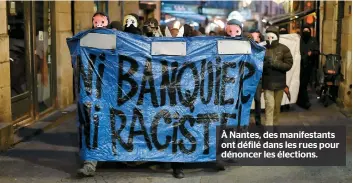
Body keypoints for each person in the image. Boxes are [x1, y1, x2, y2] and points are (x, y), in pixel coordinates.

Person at [77, 12, 111, 177]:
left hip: (111, 95)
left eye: (101, 22)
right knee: (94, 126)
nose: (99, 25)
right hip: (94, 94)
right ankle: (90, 163)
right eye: (96, 22)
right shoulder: (86, 41)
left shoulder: (117, 40)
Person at [262, 26, 293, 131]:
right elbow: (257, 65)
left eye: (272, 36)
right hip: (267, 83)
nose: (270, 39)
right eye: (268, 36)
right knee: (269, 106)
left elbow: (288, 65)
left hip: (279, 83)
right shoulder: (262, 49)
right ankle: (269, 130)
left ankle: (275, 126)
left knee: (276, 107)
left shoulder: (284, 49)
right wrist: (264, 64)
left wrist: (275, 64)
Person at [296, 25, 319, 109]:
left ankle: (304, 102)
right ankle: (303, 101)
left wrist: (312, 53)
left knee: (303, 84)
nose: (306, 32)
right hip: (299, 65)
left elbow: (317, 51)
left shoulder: (313, 40)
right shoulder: (299, 40)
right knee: (301, 84)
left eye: (307, 31)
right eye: (304, 30)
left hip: (309, 65)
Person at [249, 29, 263, 126]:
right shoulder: (247, 47)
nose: (255, 39)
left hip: (258, 78)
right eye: (252, 37)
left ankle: (258, 119)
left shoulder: (263, 48)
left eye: (256, 37)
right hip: (248, 78)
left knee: (257, 99)